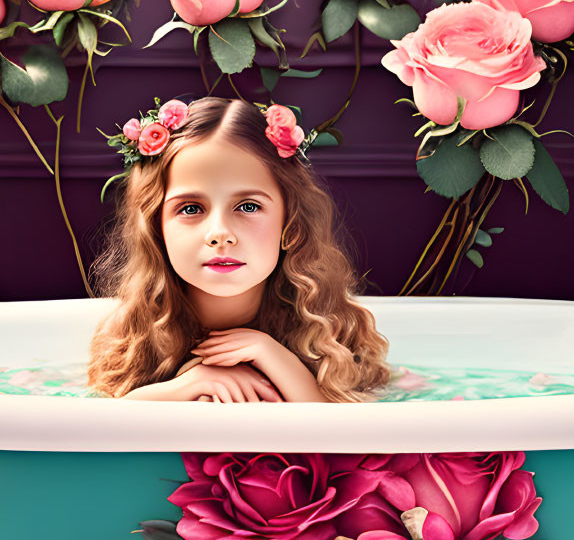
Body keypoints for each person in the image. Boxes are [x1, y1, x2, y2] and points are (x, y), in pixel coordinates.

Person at [86, 95, 390, 402]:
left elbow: (346, 436)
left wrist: (274, 357)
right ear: (156, 229)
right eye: (191, 209)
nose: (221, 234)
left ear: (291, 226)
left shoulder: (329, 329)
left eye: (247, 206)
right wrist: (189, 384)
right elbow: (96, 430)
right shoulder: (131, 332)